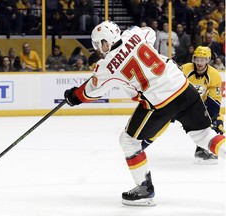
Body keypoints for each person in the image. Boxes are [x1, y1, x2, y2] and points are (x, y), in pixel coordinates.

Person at [63, 20, 225, 206]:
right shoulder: (134, 35)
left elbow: (89, 92)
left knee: (129, 141)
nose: (99, 49)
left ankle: (144, 189)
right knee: (206, 135)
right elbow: (150, 33)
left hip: (161, 101)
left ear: (106, 43)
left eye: (100, 44)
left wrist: (73, 96)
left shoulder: (107, 65)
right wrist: (132, 32)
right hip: (183, 86)